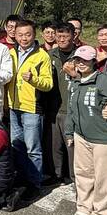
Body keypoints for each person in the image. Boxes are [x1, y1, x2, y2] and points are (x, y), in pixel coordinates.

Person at [64, 45, 107, 215]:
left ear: (94, 61)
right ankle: (84, 205)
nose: (81, 63)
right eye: (78, 60)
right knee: (83, 173)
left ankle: (104, 214)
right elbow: (71, 110)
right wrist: (69, 132)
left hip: (103, 138)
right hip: (81, 135)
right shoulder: (75, 82)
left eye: (85, 60)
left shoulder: (104, 80)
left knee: (104, 178)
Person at [7, 19, 54, 196]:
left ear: (34, 35)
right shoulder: (11, 53)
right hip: (13, 106)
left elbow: (48, 84)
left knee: (33, 148)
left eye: (28, 34)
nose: (24, 38)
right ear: (15, 35)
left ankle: (35, 184)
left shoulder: (42, 55)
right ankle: (20, 179)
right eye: (20, 35)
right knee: (16, 146)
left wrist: (33, 79)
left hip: (32, 108)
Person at [43, 23, 76, 186]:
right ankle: (55, 174)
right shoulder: (49, 55)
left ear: (73, 36)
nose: (62, 39)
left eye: (65, 36)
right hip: (53, 107)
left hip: (73, 108)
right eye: (59, 36)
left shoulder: (80, 56)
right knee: (54, 144)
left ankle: (74, 176)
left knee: (72, 146)